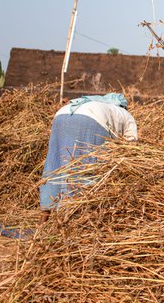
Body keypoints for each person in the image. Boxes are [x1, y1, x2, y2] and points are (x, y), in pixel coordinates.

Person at [40, 93, 137, 221]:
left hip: (61, 115)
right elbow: (131, 147)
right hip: (92, 120)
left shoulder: (96, 103)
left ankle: (43, 219)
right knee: (86, 169)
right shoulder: (125, 114)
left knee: (55, 164)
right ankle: (73, 218)